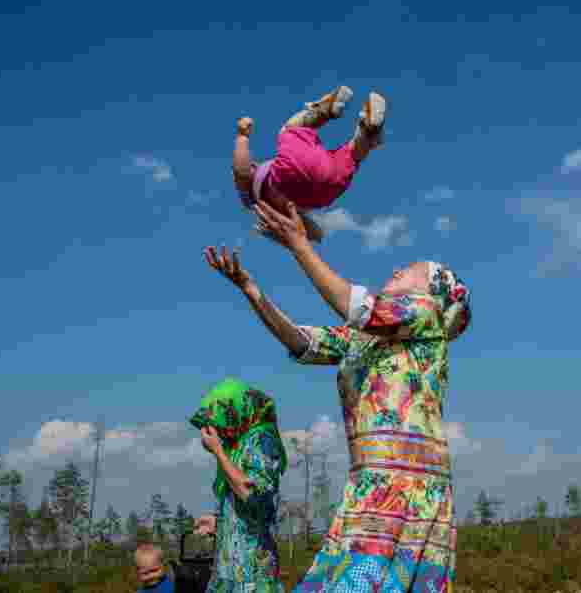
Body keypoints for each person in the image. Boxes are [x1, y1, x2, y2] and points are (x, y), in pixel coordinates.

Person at [203, 200, 472, 592]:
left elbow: (362, 308)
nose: (396, 270)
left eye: (409, 271)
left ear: (433, 294)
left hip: (406, 487)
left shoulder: (425, 317)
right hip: (369, 485)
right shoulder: (364, 340)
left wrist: (299, 245)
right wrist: (251, 289)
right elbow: (302, 341)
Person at [231, 86, 387, 243]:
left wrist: (315, 234)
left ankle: (368, 131)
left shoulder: (275, 213)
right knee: (289, 129)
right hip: (290, 172)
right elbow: (241, 171)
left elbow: (311, 232)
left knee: (352, 156)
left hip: (324, 193)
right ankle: (324, 111)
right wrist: (242, 137)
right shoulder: (250, 194)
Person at [190, 378, 288, 593]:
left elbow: (251, 494)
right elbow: (244, 511)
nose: (219, 430)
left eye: (220, 422)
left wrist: (218, 451)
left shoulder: (262, 440)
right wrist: (219, 522)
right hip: (227, 573)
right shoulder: (238, 446)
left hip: (252, 573)